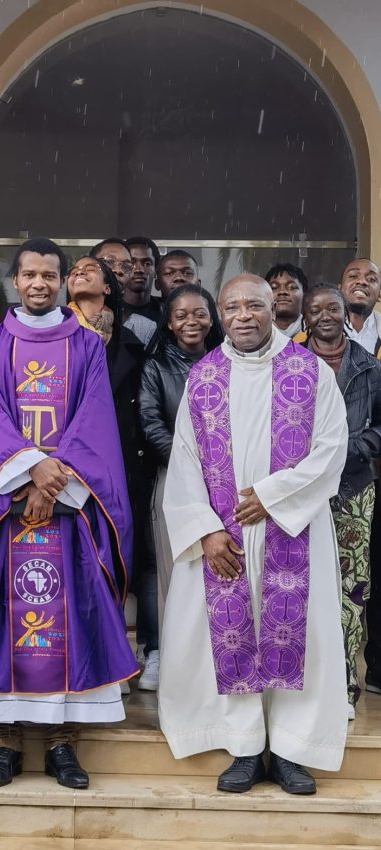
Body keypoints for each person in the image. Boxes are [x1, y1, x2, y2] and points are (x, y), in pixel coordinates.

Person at [0, 238, 138, 790]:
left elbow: (95, 421)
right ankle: (3, 741)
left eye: (49, 275)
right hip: (7, 508)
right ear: (14, 280)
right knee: (1, 616)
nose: (39, 285)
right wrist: (30, 469)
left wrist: (55, 481)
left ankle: (62, 744)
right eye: (29, 275)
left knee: (70, 613)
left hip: (68, 508)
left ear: (61, 282)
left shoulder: (88, 347)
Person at [160, 274, 348, 796]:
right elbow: (184, 463)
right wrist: (205, 532)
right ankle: (243, 747)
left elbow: (333, 447)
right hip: (227, 537)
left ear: (275, 310)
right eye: (233, 306)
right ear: (222, 313)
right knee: (232, 634)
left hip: (296, 527)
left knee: (298, 635)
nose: (244, 315)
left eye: (254, 305)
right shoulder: (204, 378)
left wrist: (273, 496)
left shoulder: (310, 371)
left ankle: (290, 749)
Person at [67, 256, 153, 690]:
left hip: (118, 462)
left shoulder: (132, 345)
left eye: (89, 269)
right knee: (70, 562)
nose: (79, 273)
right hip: (63, 464)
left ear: (108, 288)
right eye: (74, 269)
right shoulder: (51, 335)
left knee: (111, 559)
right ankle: (73, 656)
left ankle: (112, 660)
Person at [299, 284, 381, 719]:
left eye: (333, 307)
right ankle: (303, 686)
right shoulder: (288, 364)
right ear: (304, 317)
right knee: (301, 584)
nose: (326, 315)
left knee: (351, 588)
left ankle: (345, 684)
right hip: (299, 490)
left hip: (352, 487)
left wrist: (347, 447)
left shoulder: (369, 366)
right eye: (316, 309)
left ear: (345, 313)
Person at [138, 284, 223, 689]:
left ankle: (215, 658)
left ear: (211, 317)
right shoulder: (156, 367)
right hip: (172, 479)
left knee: (221, 570)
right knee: (171, 570)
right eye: (181, 315)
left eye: (199, 313)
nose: (191, 321)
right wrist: (192, 467)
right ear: (169, 323)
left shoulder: (229, 362)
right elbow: (151, 424)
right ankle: (167, 657)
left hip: (227, 484)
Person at [337, 259, 381, 696]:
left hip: (366, 470)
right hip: (346, 482)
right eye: (354, 277)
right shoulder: (304, 347)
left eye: (371, 278)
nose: (362, 284)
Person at [90, 237, 155, 347]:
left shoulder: (142, 330)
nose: (118, 271)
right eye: (109, 262)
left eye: (126, 266)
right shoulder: (64, 320)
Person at [338, 258, 381, 356]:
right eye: (353, 276)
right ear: (339, 289)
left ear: (379, 294)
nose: (362, 282)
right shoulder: (310, 335)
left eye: (371, 279)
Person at [125, 236, 162, 324]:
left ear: (156, 270)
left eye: (147, 264)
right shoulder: (110, 309)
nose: (139, 270)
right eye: (131, 262)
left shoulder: (166, 312)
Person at [265, 263, 308, 338]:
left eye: (292, 287)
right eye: (274, 287)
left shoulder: (314, 333)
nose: (282, 291)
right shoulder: (258, 334)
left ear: (304, 294)